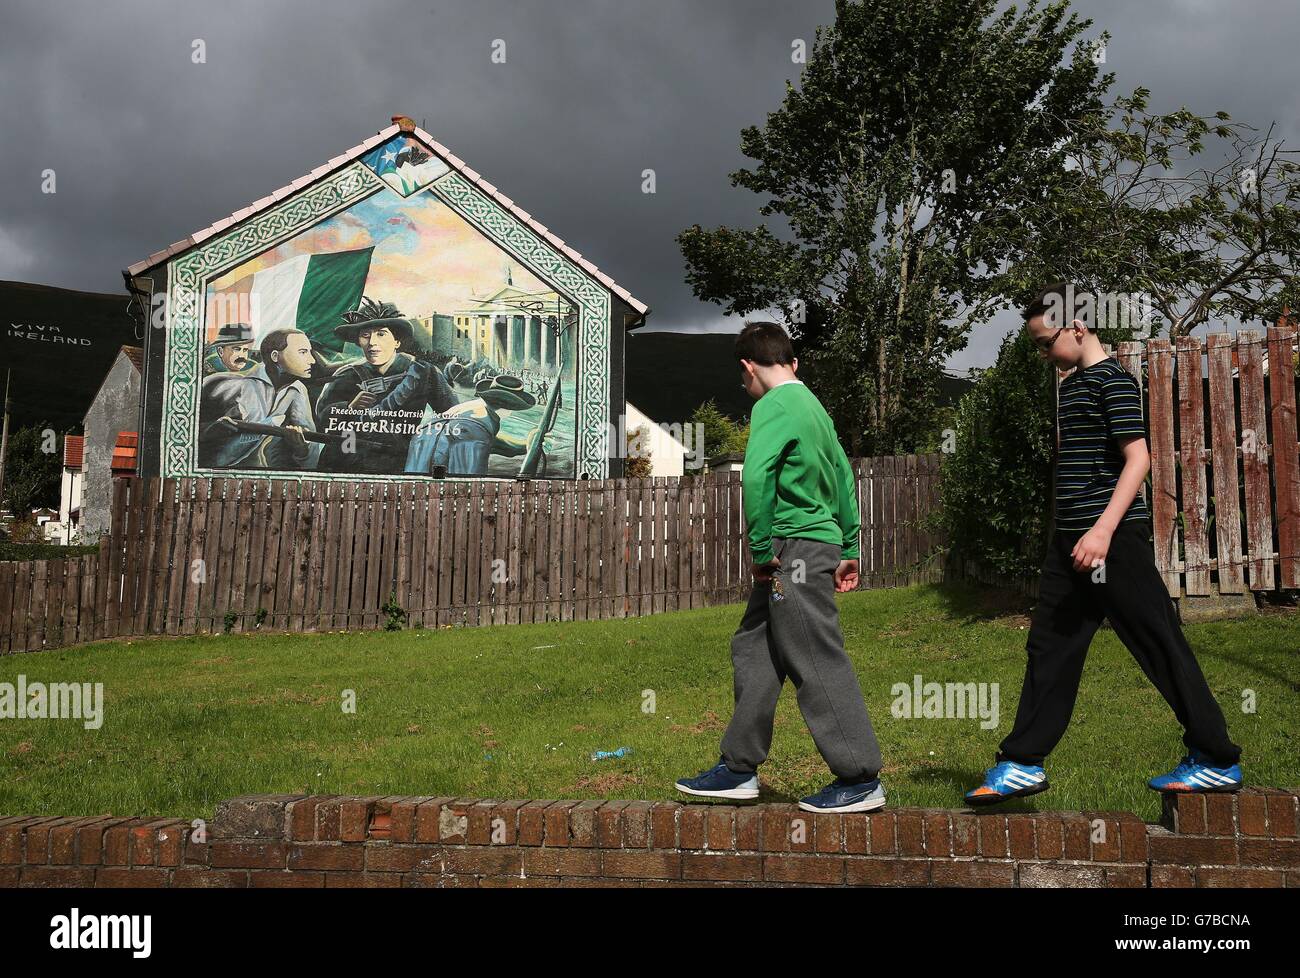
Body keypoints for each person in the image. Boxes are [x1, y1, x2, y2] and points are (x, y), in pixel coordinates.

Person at [966, 283, 1244, 805]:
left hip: (1110, 541)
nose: (1042, 353)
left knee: (1157, 641)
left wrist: (1101, 531)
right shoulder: (1070, 384)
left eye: (1045, 342)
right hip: (1070, 542)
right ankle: (1023, 762)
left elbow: (1138, 460)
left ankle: (1216, 758)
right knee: (1049, 647)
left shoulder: (1112, 382)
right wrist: (1072, 531)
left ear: (1078, 327)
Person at [674, 320, 886, 813]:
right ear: (790, 361)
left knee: (813, 654)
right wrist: (850, 543)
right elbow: (842, 475)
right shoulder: (812, 405)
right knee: (755, 648)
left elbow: (757, 476)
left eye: (742, 378)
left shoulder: (772, 404)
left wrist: (761, 547)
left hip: (795, 549)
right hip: (819, 544)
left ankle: (859, 775)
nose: (745, 387)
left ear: (748, 366)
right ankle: (738, 769)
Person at [197, 328, 323, 470]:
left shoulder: (297, 390)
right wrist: (210, 431)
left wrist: (301, 448)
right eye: (303, 352)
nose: (312, 360)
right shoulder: (226, 384)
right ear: (275, 356)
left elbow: (312, 452)